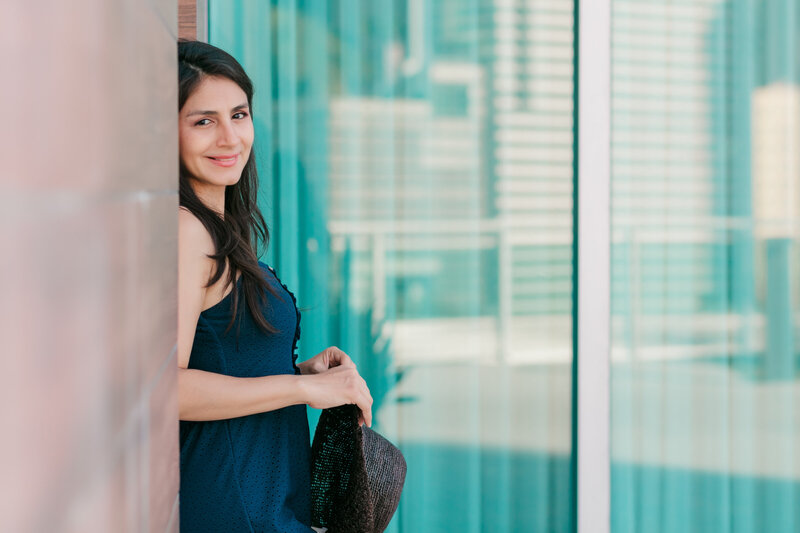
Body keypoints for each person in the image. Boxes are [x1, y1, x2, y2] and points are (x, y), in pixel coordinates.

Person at [177, 40, 373, 533]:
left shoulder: (216, 227)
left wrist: (303, 372)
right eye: (203, 121)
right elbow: (165, 388)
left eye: (238, 115)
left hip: (261, 499)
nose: (229, 137)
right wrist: (304, 388)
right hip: (236, 505)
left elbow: (215, 356)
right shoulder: (186, 231)